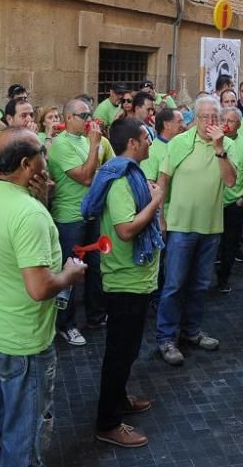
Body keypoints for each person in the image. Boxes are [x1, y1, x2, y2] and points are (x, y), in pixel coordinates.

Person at [0, 128, 87, 467]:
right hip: (22, 341)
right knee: (24, 427)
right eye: (42, 155)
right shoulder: (27, 214)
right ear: (26, 164)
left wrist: (40, 204)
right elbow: (39, 287)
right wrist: (70, 276)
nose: (47, 159)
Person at [81, 118, 166, 448]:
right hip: (125, 281)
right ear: (132, 142)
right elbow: (126, 230)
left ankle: (119, 399)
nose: (150, 142)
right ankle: (107, 422)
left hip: (137, 279)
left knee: (127, 350)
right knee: (119, 352)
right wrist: (157, 200)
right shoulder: (120, 182)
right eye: (146, 137)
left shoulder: (130, 175)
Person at [156, 95, 235, 365]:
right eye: (204, 117)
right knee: (174, 284)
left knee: (200, 284)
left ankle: (191, 331)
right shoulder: (178, 143)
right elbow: (162, 181)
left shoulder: (226, 145)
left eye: (215, 117)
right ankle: (166, 338)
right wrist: (161, 219)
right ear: (195, 119)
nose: (209, 122)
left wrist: (220, 149)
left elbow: (231, 180)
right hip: (180, 225)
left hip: (211, 227)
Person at [49, 99, 108, 346]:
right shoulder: (61, 145)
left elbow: (96, 171)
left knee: (95, 267)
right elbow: (85, 177)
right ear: (69, 118)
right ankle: (66, 324)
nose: (89, 120)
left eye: (90, 115)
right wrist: (95, 146)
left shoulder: (85, 141)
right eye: (84, 116)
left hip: (91, 213)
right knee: (70, 272)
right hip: (70, 218)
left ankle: (95, 316)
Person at [216, 107, 243, 293]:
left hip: (234, 204)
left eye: (231, 121)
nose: (226, 124)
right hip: (213, 204)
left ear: (239, 125)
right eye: (223, 119)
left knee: (230, 243)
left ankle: (223, 278)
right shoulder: (212, 142)